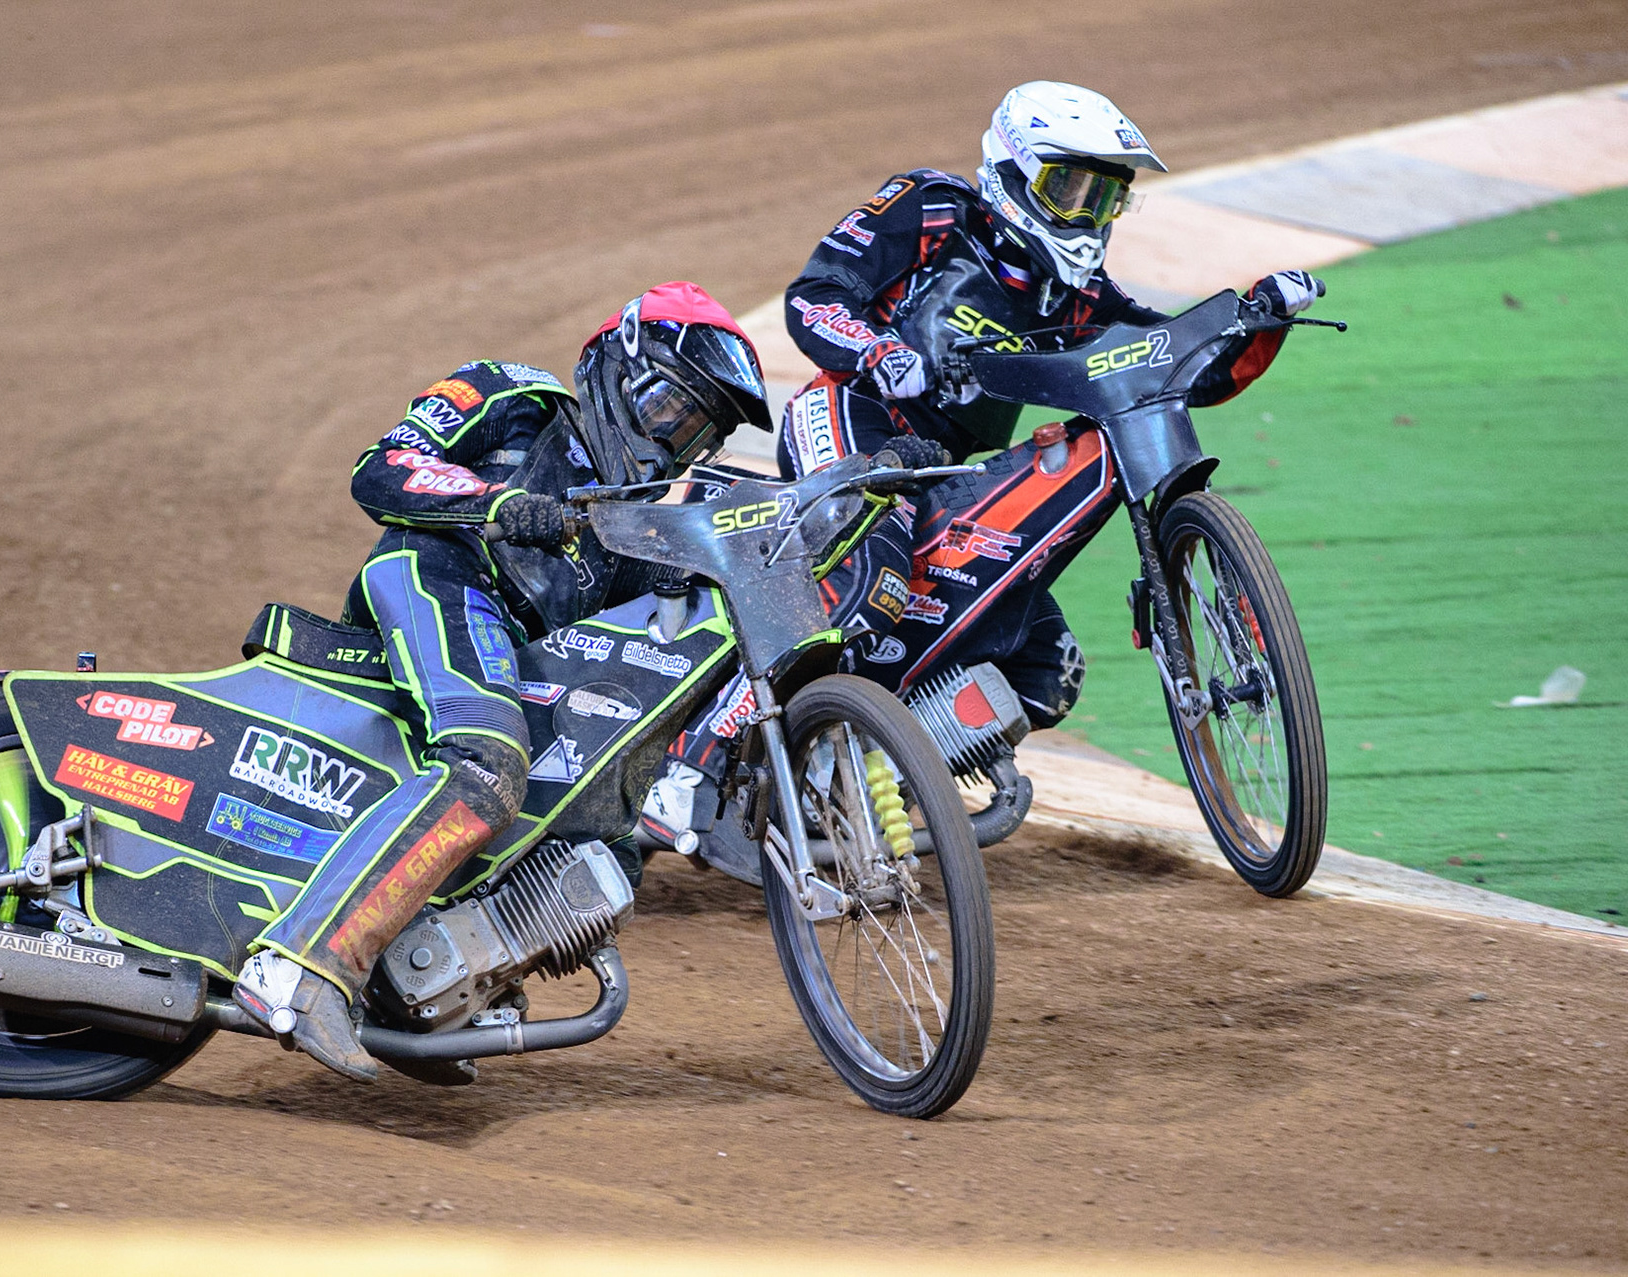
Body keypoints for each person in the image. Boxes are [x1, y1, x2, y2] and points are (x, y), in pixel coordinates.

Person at [643, 81, 1325, 848]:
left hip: (944, 470)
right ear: (1012, 169)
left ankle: (870, 770)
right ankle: (687, 767)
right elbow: (814, 297)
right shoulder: (932, 208)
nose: (1087, 215)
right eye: (1068, 188)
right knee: (874, 575)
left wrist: (1259, 321)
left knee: (1046, 666)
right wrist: (879, 350)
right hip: (850, 418)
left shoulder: (1075, 294)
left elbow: (1179, 367)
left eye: (1105, 199)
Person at [233, 282, 770, 1079]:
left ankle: (421, 988)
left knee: (608, 837)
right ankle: (301, 966)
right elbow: (380, 468)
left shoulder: (643, 523)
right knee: (488, 760)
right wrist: (499, 502)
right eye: (668, 410)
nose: (669, 445)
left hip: (512, 655)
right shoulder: (513, 394)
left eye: (694, 433)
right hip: (435, 575)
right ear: (614, 365)